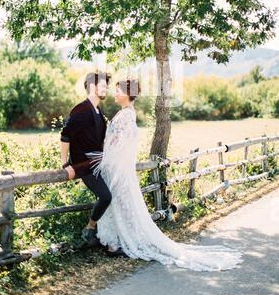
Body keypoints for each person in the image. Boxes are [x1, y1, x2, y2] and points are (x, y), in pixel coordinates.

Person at [85, 78, 243, 270]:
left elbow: (118, 145)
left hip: (118, 170)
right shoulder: (124, 114)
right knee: (119, 204)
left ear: (127, 93)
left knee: (120, 204)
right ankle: (114, 243)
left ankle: (116, 243)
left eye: (118, 90)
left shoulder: (126, 115)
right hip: (116, 169)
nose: (115, 93)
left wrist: (105, 160)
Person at [60, 71, 112, 247]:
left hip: (97, 163)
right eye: (103, 85)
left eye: (107, 85)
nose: (106, 88)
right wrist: (65, 164)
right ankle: (89, 229)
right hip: (84, 165)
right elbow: (65, 136)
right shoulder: (81, 109)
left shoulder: (97, 110)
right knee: (106, 196)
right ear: (92, 87)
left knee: (109, 195)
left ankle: (98, 232)